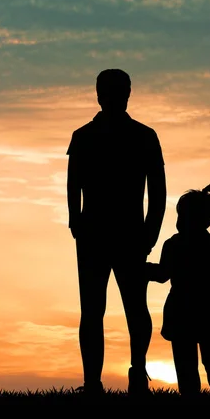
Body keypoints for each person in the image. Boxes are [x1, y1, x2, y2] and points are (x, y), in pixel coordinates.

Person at [67, 69, 167, 397]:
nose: (111, 98)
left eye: (117, 92)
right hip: (95, 235)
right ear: (98, 95)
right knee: (94, 311)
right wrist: (75, 221)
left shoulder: (144, 136)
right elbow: (73, 183)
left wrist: (150, 233)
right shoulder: (83, 136)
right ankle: (94, 381)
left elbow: (159, 191)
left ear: (128, 94)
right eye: (107, 92)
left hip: (129, 237)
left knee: (133, 307)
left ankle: (137, 371)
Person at [146, 183, 210, 397]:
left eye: (183, 216)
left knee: (196, 358)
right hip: (205, 308)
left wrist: (141, 269)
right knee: (193, 359)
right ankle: (206, 376)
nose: (180, 220)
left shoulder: (175, 245)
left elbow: (162, 274)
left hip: (183, 308)